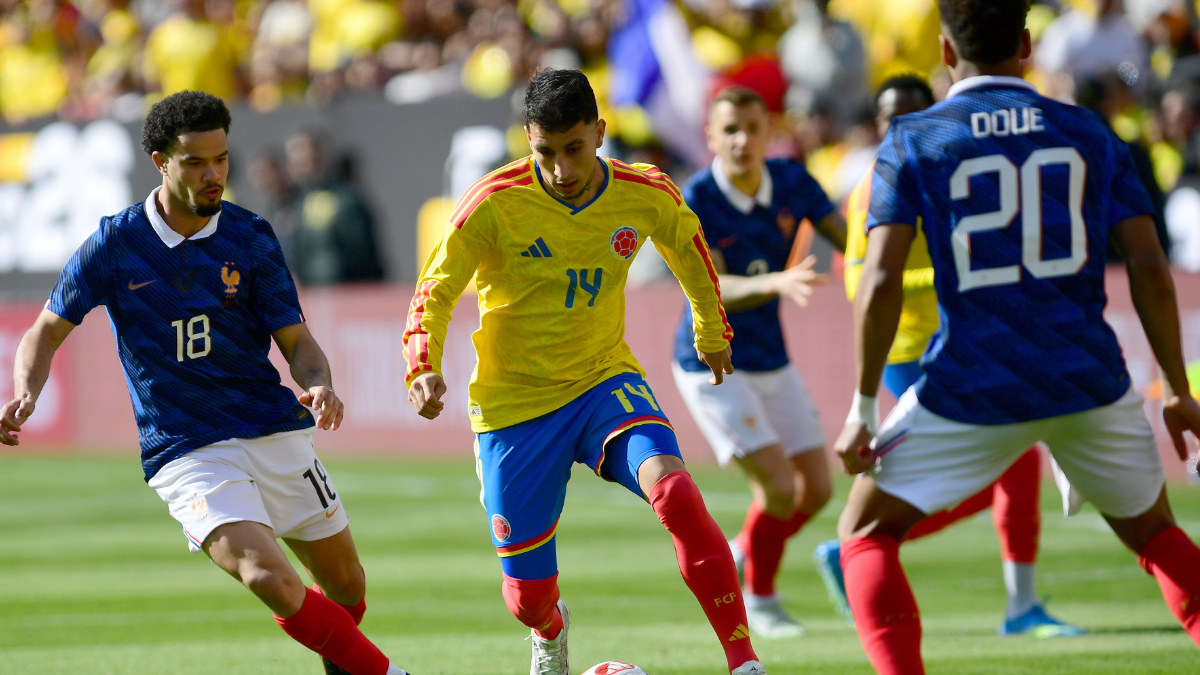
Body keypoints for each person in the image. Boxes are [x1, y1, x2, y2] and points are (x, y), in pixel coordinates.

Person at [833, 2, 1200, 673]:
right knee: (1156, 535)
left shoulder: (917, 137)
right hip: (1086, 376)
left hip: (972, 380)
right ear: (1028, 44)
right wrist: (1177, 389)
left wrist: (862, 407)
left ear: (945, 52)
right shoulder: (1088, 130)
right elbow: (1149, 264)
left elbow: (881, 277)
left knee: (863, 534)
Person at [0, 91, 411, 675]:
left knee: (347, 586)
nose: (213, 173)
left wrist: (319, 383)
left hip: (270, 426)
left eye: (220, 158)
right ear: (160, 162)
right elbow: (43, 331)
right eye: (195, 162)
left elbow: (296, 342)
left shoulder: (250, 235)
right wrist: (26, 393)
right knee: (267, 575)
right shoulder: (116, 244)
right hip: (185, 445)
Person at [403, 69, 768, 675]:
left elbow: (689, 247)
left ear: (600, 132)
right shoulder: (494, 201)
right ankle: (551, 629)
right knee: (527, 600)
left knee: (674, 491)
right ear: (528, 139)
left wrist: (711, 330)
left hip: (603, 380)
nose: (562, 169)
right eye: (545, 152)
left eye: (575, 148)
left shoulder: (643, 191)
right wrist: (423, 362)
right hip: (514, 405)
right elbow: (434, 289)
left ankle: (744, 662)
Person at [813, 74, 1084, 637]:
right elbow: (858, 279)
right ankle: (1018, 607)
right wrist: (946, 277)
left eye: (915, 112)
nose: (905, 126)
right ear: (878, 124)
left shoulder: (951, 168)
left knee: (1004, 468)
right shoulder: (873, 185)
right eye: (893, 117)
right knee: (1012, 464)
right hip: (909, 350)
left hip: (962, 340)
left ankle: (1015, 603)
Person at [670, 86, 843, 639]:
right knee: (778, 489)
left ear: (771, 131)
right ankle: (761, 599)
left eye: (752, 126)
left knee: (816, 489)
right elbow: (710, 283)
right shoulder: (697, 198)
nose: (742, 140)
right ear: (711, 137)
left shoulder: (793, 181)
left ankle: (747, 548)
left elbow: (852, 238)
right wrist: (776, 281)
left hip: (770, 355)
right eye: (730, 129)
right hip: (713, 362)